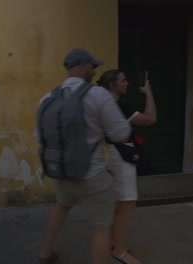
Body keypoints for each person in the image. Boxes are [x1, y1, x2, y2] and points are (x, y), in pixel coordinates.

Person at [36, 49, 133, 264]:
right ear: (82, 66)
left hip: (62, 172)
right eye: (93, 66)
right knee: (101, 227)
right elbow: (121, 134)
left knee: (61, 206)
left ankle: (45, 252)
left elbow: (39, 136)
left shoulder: (48, 97)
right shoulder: (97, 94)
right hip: (92, 175)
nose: (95, 70)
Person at [97, 69, 157, 264]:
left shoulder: (104, 105)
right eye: (123, 80)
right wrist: (148, 92)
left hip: (112, 154)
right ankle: (120, 251)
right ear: (113, 85)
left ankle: (115, 242)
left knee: (118, 203)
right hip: (122, 157)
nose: (127, 83)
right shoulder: (118, 107)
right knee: (128, 205)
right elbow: (150, 118)